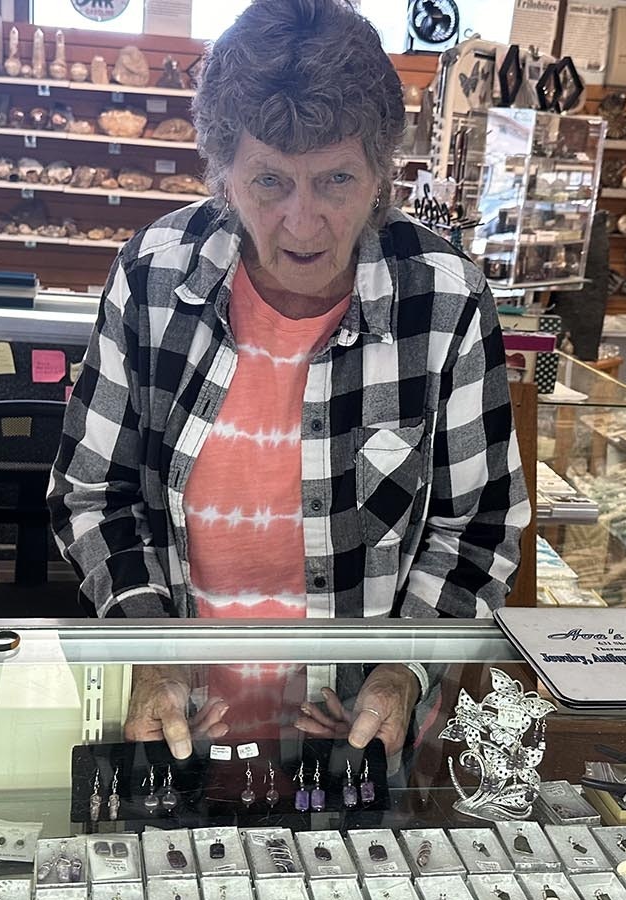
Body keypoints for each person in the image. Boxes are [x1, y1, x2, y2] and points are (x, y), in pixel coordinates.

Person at [48, 0, 529, 760]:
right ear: (224, 175)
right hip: (176, 727)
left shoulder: (444, 299)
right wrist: (151, 651)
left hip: (359, 737)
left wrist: (402, 672)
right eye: (270, 181)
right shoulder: (153, 275)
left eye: (336, 179)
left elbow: (476, 527)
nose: (303, 224)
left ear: (381, 174)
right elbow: (93, 495)